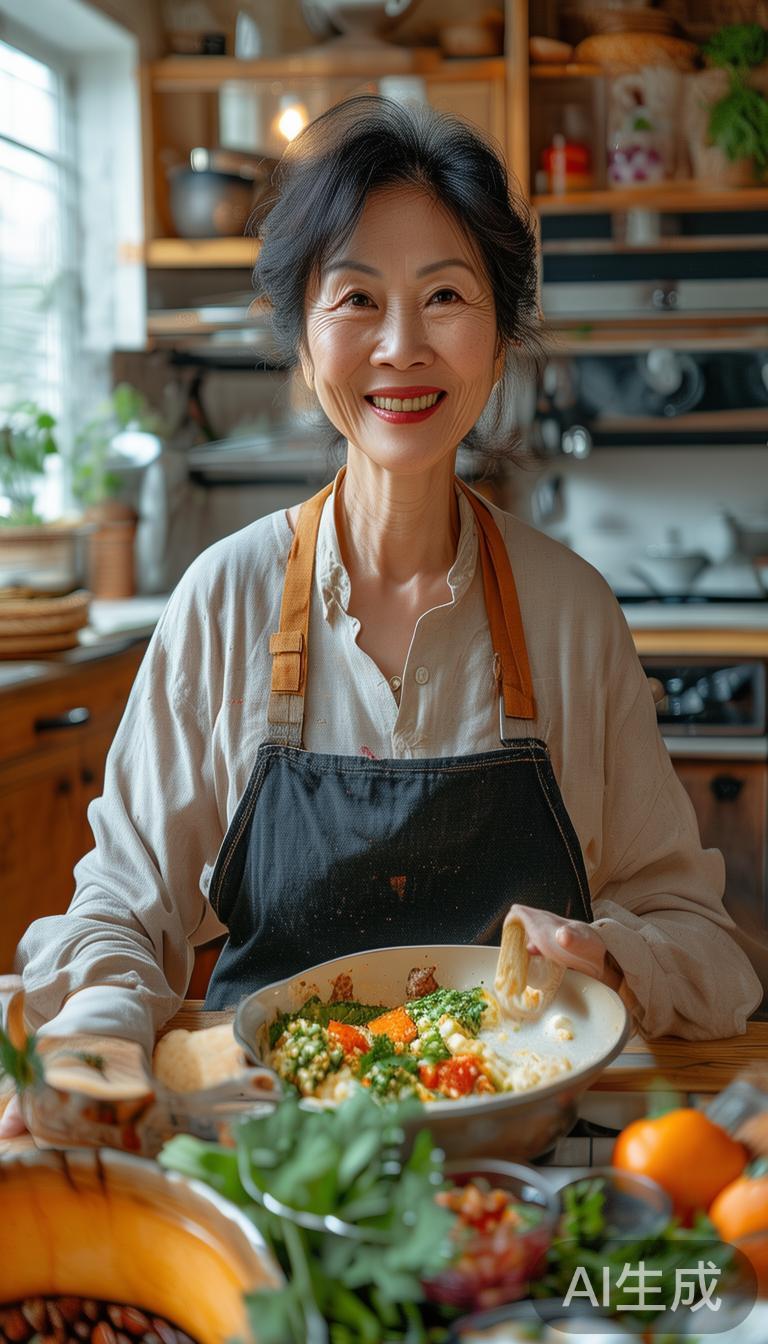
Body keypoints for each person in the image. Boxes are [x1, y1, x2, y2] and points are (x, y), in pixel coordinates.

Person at [11, 96, 761, 1107]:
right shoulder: (224, 599)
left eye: (445, 295)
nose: (402, 346)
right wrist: (92, 1041)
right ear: (303, 339)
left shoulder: (572, 614)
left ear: (500, 337)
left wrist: (611, 958)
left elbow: (702, 945)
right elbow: (118, 910)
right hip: (271, 1144)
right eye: (357, 298)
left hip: (518, 1142)